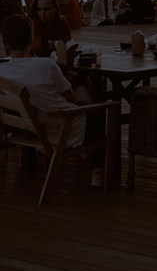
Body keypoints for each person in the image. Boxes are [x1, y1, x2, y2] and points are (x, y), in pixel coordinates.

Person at [0, 15, 104, 185]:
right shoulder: (45, 65)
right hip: (67, 128)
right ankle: (98, 170)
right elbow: (70, 97)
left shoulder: (2, 71)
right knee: (92, 99)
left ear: (5, 42)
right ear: (30, 40)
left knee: (81, 90)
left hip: (35, 128)